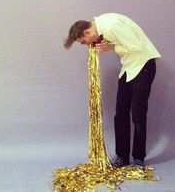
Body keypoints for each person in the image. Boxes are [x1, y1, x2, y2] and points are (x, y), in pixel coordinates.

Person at [64, 13, 161, 167]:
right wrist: (109, 45)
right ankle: (122, 157)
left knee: (138, 114)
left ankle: (138, 158)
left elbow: (136, 46)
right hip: (129, 67)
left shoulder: (111, 25)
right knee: (120, 113)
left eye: (84, 42)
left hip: (143, 66)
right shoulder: (101, 27)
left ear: (87, 32)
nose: (87, 45)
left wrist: (112, 47)